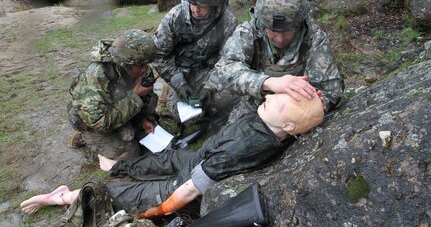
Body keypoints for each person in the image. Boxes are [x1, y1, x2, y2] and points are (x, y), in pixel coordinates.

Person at [21, 92, 324, 218]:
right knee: (163, 158)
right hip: (198, 159)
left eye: (279, 102)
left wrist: (158, 210)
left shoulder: (245, 147)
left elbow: (192, 188)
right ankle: (116, 167)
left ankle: (62, 196)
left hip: (192, 181)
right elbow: (275, 99)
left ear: (287, 125)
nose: (270, 97)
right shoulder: (271, 118)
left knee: (122, 195)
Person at [215, 0, 344, 123]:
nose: (280, 39)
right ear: (262, 24)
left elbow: (330, 90)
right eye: (272, 31)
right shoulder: (248, 32)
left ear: (300, 23)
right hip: (251, 109)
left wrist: (308, 108)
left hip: (295, 111)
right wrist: (269, 82)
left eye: (288, 31)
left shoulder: (314, 39)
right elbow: (225, 70)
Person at [152, 0, 238, 121]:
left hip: (208, 72)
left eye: (202, 5)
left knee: (235, 96)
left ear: (214, 4)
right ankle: (172, 98)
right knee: (186, 115)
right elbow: (159, 57)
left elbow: (229, 60)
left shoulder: (227, 22)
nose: (196, 9)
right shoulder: (174, 18)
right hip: (178, 73)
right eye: (192, 3)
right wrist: (179, 83)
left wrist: (210, 87)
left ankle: (208, 108)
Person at [67, 29, 158, 161]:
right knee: (130, 155)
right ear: (125, 64)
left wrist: (143, 119)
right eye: (140, 65)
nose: (145, 69)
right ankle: (87, 139)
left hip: (119, 111)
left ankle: (130, 129)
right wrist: (135, 95)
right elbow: (100, 122)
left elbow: (147, 99)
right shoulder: (97, 76)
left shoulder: (140, 68)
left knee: (147, 135)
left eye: (146, 64)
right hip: (95, 123)